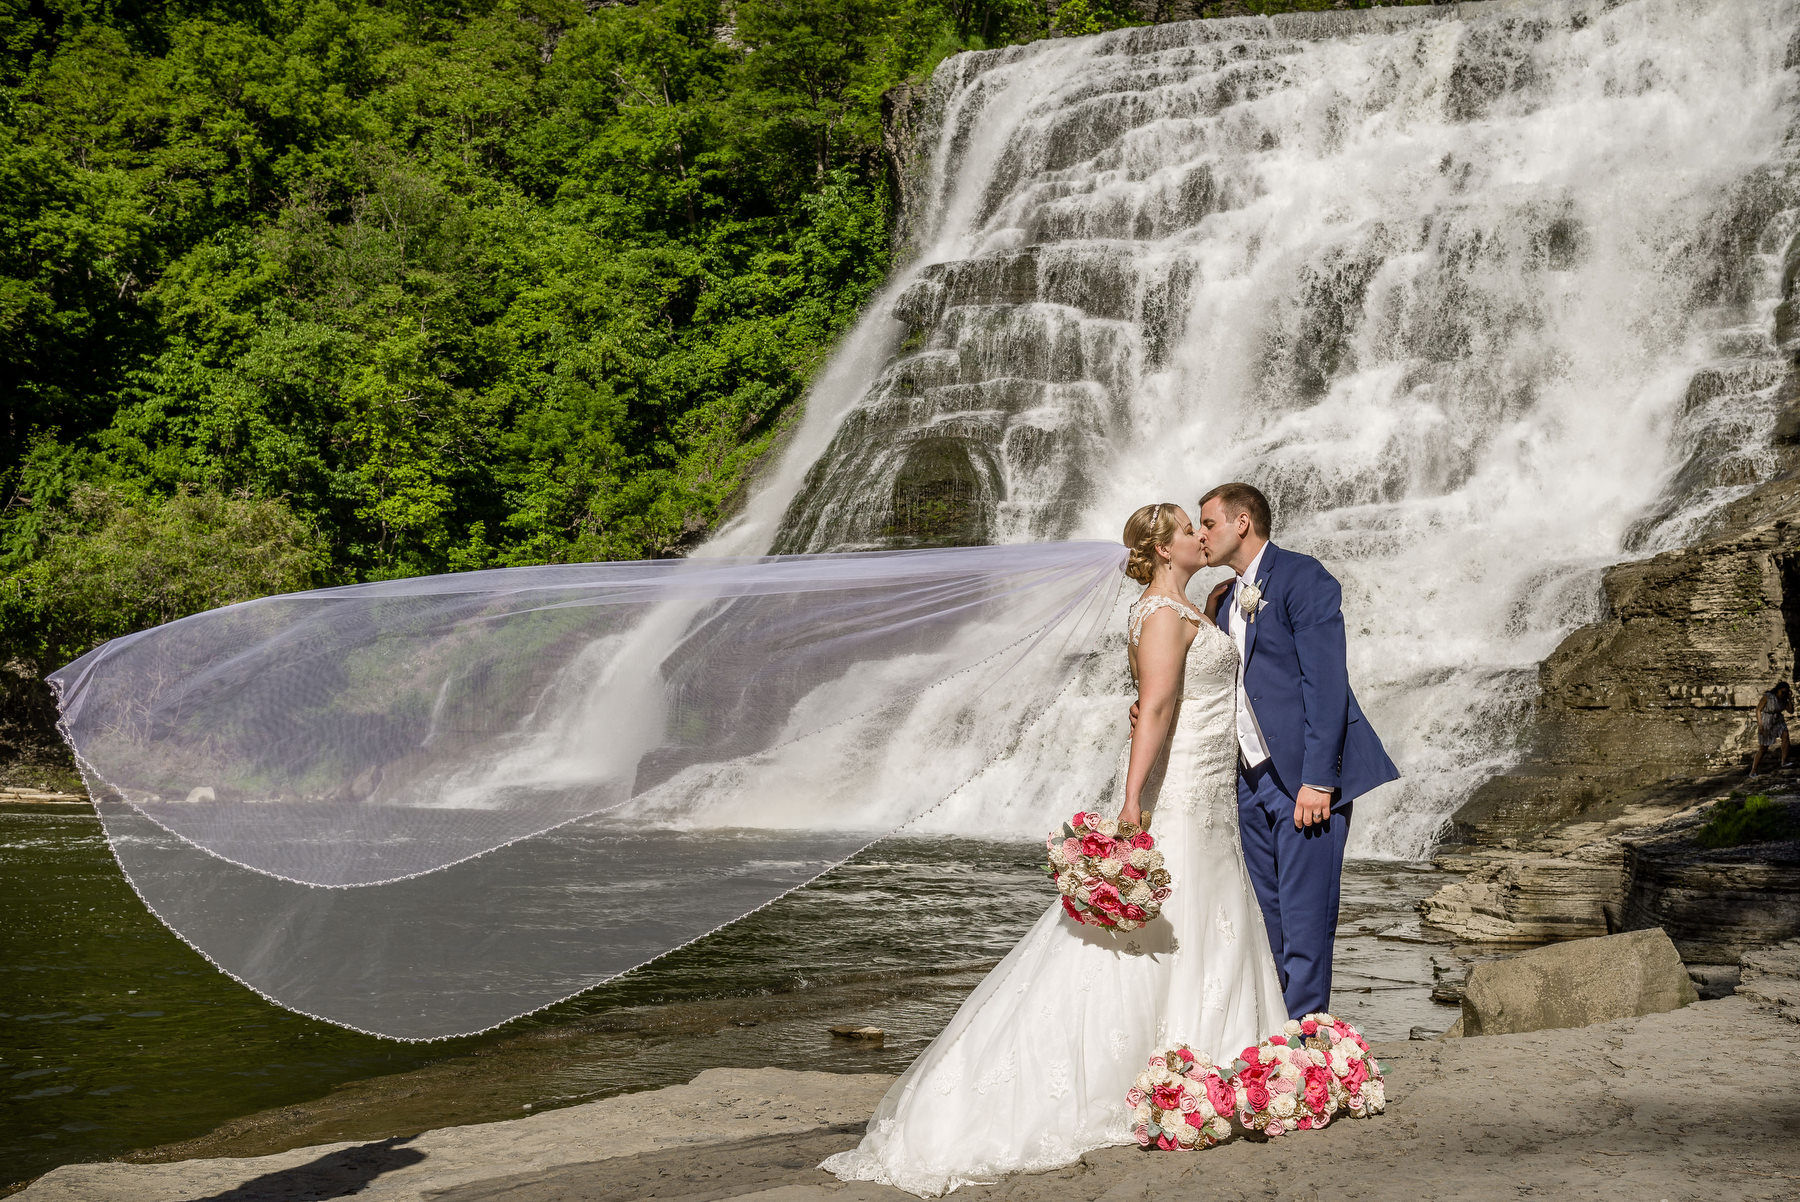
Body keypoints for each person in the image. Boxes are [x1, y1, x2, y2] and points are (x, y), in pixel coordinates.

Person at [820, 504, 1288, 1196]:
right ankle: (1169, 1066)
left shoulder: (1184, 608)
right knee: (1168, 921)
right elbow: (1155, 708)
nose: (1201, 536)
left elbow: (1166, 702)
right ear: (1162, 550)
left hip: (1209, 790)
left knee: (1200, 919)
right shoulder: (1164, 614)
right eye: (1190, 530)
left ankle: (1205, 1059)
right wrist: (1131, 802)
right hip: (1183, 790)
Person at [1192, 483, 1399, 1020]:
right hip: (1247, 781)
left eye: (1208, 523)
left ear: (1242, 523)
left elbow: (1326, 685)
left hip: (1303, 783)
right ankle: (1274, 1042)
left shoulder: (1305, 578)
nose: (1200, 534)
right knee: (1268, 921)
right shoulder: (1221, 599)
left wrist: (1318, 781)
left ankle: (1305, 1050)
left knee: (1307, 922)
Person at [1750, 681, 1792, 776]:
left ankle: (1784, 761)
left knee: (1785, 735)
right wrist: (1760, 725)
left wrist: (1790, 699)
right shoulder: (1768, 696)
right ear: (1778, 690)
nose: (1784, 694)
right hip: (1767, 721)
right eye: (1782, 692)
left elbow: (1791, 711)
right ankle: (1754, 770)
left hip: (1778, 720)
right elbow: (1758, 710)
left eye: (1786, 692)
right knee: (1763, 748)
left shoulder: (1784, 699)